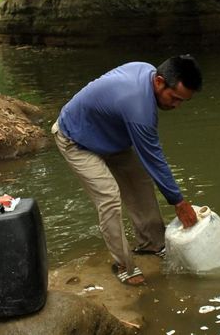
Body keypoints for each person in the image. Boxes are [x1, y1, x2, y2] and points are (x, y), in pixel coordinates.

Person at [52, 55, 202, 286]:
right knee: (109, 195)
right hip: (76, 138)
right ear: (160, 82)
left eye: (182, 101)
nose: (176, 105)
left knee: (140, 182)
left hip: (110, 137)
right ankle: (123, 264)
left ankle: (153, 243)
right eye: (174, 98)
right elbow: (155, 159)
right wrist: (179, 202)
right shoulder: (139, 107)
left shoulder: (147, 71)